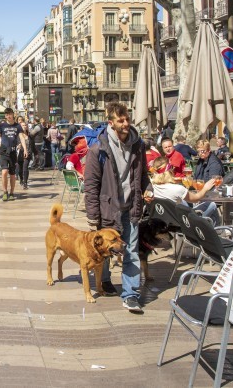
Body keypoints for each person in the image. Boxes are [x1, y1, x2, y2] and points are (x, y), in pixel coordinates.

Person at [84, 102, 150, 313]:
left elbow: (143, 174)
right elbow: (91, 185)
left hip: (131, 207)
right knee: (104, 250)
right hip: (108, 208)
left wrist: (148, 189)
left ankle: (130, 294)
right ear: (110, 123)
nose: (125, 123)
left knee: (131, 251)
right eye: (120, 120)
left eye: (127, 119)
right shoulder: (98, 149)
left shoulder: (138, 145)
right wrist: (93, 216)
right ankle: (104, 281)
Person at [147, 157, 219, 224]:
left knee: (185, 202)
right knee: (211, 204)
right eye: (172, 167)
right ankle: (218, 230)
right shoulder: (177, 189)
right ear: (169, 170)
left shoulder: (151, 188)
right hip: (184, 222)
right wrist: (205, 188)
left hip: (162, 221)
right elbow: (196, 199)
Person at [0, 107, 27, 201]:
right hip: (4, 151)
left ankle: (12, 192)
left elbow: (22, 138)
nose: (9, 116)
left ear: (13, 115)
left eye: (10, 114)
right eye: (7, 115)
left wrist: (25, 149)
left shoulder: (17, 126)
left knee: (12, 174)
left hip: (13, 151)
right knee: (4, 172)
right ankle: (5, 191)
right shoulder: (1, 126)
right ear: (5, 116)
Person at [18, 121, 32, 190]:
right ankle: (21, 179)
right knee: (20, 169)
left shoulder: (29, 135)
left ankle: (25, 183)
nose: (24, 126)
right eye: (22, 125)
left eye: (25, 125)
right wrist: (18, 145)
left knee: (25, 167)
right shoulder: (18, 135)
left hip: (28, 153)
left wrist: (35, 153)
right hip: (20, 154)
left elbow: (32, 144)